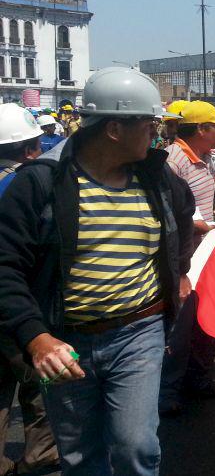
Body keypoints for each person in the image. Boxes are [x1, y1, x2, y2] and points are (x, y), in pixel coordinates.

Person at [0, 67, 195, 475]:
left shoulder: (156, 177)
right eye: (148, 123)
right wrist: (37, 340)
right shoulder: (40, 184)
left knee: (135, 445)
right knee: (80, 455)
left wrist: (179, 271)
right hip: (66, 341)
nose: (155, 133)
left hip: (138, 333)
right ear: (114, 129)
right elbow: (6, 268)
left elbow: (183, 217)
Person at [159, 101, 215, 417]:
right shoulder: (172, 161)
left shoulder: (204, 156)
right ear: (201, 129)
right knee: (179, 325)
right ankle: (166, 393)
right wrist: (198, 224)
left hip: (204, 250)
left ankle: (198, 377)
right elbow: (165, 211)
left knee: (204, 319)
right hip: (182, 253)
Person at [0, 104, 59, 475]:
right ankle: (40, 454)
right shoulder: (29, 184)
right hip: (25, 301)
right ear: (28, 149)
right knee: (40, 382)